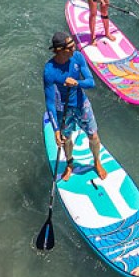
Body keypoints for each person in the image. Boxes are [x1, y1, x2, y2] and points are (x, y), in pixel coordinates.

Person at [43, 31, 107, 181]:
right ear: (60, 50)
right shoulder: (49, 71)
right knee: (66, 138)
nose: (75, 48)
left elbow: (91, 82)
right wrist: (56, 130)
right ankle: (70, 164)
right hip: (63, 109)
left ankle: (97, 161)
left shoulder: (78, 57)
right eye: (70, 47)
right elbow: (50, 102)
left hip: (81, 104)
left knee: (94, 136)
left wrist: (77, 82)